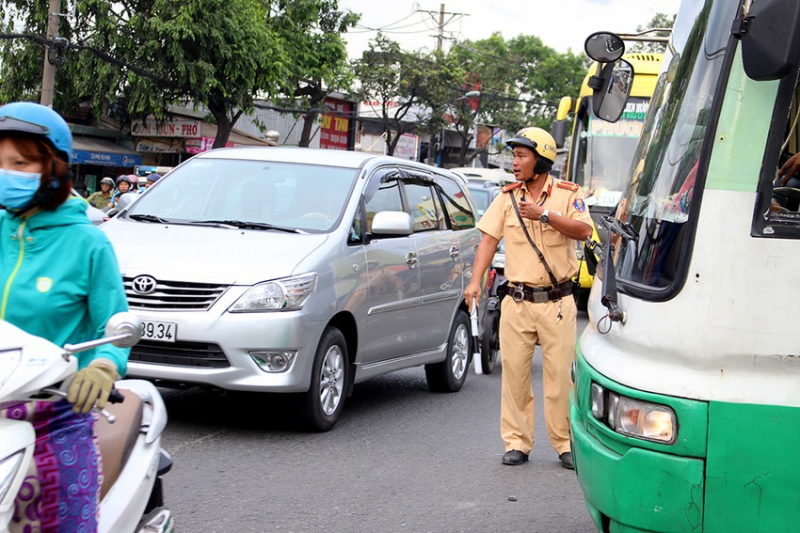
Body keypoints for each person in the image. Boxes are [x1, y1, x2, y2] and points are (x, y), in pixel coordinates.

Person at [0, 102, 130, 532]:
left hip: (56, 415)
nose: (6, 171)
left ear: (53, 167)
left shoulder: (88, 244)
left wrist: (103, 368)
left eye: (20, 162)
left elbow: (112, 326)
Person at [463, 127, 592, 469]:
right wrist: (475, 281)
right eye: (514, 155)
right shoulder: (506, 198)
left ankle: (565, 444)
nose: (514, 162)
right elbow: (489, 240)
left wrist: (545, 215)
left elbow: (584, 230)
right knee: (515, 377)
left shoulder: (568, 194)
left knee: (559, 379)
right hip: (517, 302)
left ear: (542, 160)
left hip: (558, 303)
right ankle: (517, 442)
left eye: (521, 156)